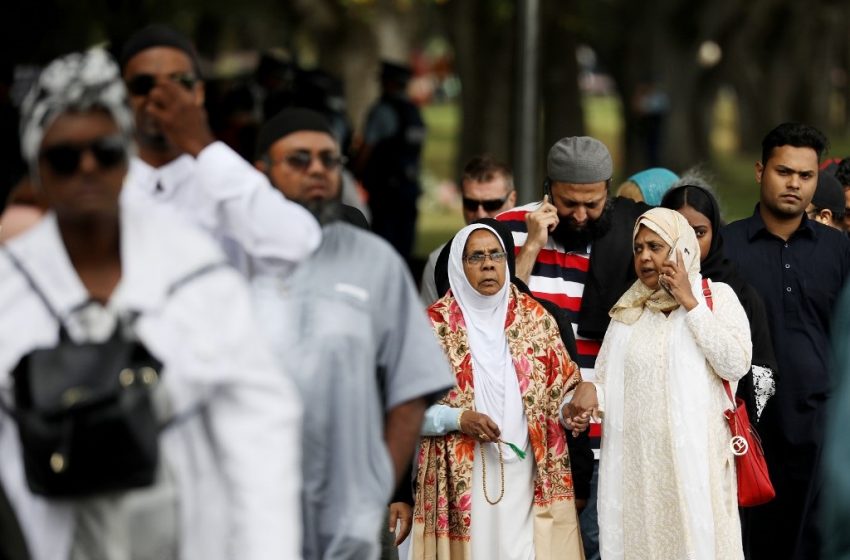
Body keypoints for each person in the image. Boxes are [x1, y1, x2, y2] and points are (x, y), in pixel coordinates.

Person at [0, 48, 301, 560]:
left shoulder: (196, 275)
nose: (88, 168)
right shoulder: (8, 287)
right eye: (65, 158)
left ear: (127, 155)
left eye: (107, 151)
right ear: (37, 168)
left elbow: (260, 442)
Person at [252, 106, 454, 560]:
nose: (318, 170)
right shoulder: (232, 256)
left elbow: (411, 385)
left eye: (329, 159)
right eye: (299, 160)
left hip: (351, 512)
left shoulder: (374, 262)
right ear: (261, 171)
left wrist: (379, 484)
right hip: (254, 505)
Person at [568, 207, 751, 560]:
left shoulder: (718, 297)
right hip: (640, 476)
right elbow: (607, 385)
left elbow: (735, 363)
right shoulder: (629, 312)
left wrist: (689, 302)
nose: (645, 257)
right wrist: (591, 395)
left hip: (699, 470)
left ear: (682, 249)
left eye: (656, 246)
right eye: (638, 249)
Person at [498, 135, 648, 560]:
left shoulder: (630, 238)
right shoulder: (508, 228)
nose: (581, 215)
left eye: (593, 204)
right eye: (569, 204)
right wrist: (531, 246)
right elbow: (497, 316)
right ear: (548, 190)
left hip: (606, 435)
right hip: (528, 436)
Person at [412, 223, 586, 560]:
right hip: (459, 480)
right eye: (476, 256)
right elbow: (404, 411)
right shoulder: (432, 326)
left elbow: (562, 392)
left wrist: (570, 411)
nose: (489, 264)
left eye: (496, 255)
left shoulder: (537, 319)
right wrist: (458, 418)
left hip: (529, 478)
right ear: (457, 268)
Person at [721, 122, 850, 560]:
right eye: (783, 171)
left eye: (806, 175)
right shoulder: (727, 247)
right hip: (748, 428)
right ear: (760, 171)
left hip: (823, 425)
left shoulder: (838, 250)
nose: (794, 183)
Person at [118, 24, 321, 275]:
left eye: (179, 82)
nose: (160, 95)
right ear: (123, 96)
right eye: (143, 84)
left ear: (199, 93)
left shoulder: (227, 179)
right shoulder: (102, 182)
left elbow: (296, 246)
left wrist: (203, 146)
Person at [660, 181, 777, 425]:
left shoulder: (738, 293)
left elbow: (763, 372)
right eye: (677, 234)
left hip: (724, 430)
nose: (688, 244)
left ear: (714, 234)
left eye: (699, 233)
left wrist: (746, 424)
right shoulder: (645, 291)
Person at [420, 155, 517, 305]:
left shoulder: (535, 247)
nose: (480, 213)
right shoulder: (440, 260)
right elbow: (428, 323)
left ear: (512, 199)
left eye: (491, 204)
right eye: (471, 203)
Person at [355, 61, 425, 262]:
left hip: (386, 193)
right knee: (404, 248)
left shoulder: (383, 111)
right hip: (409, 189)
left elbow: (367, 148)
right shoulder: (413, 112)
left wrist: (357, 172)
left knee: (383, 249)